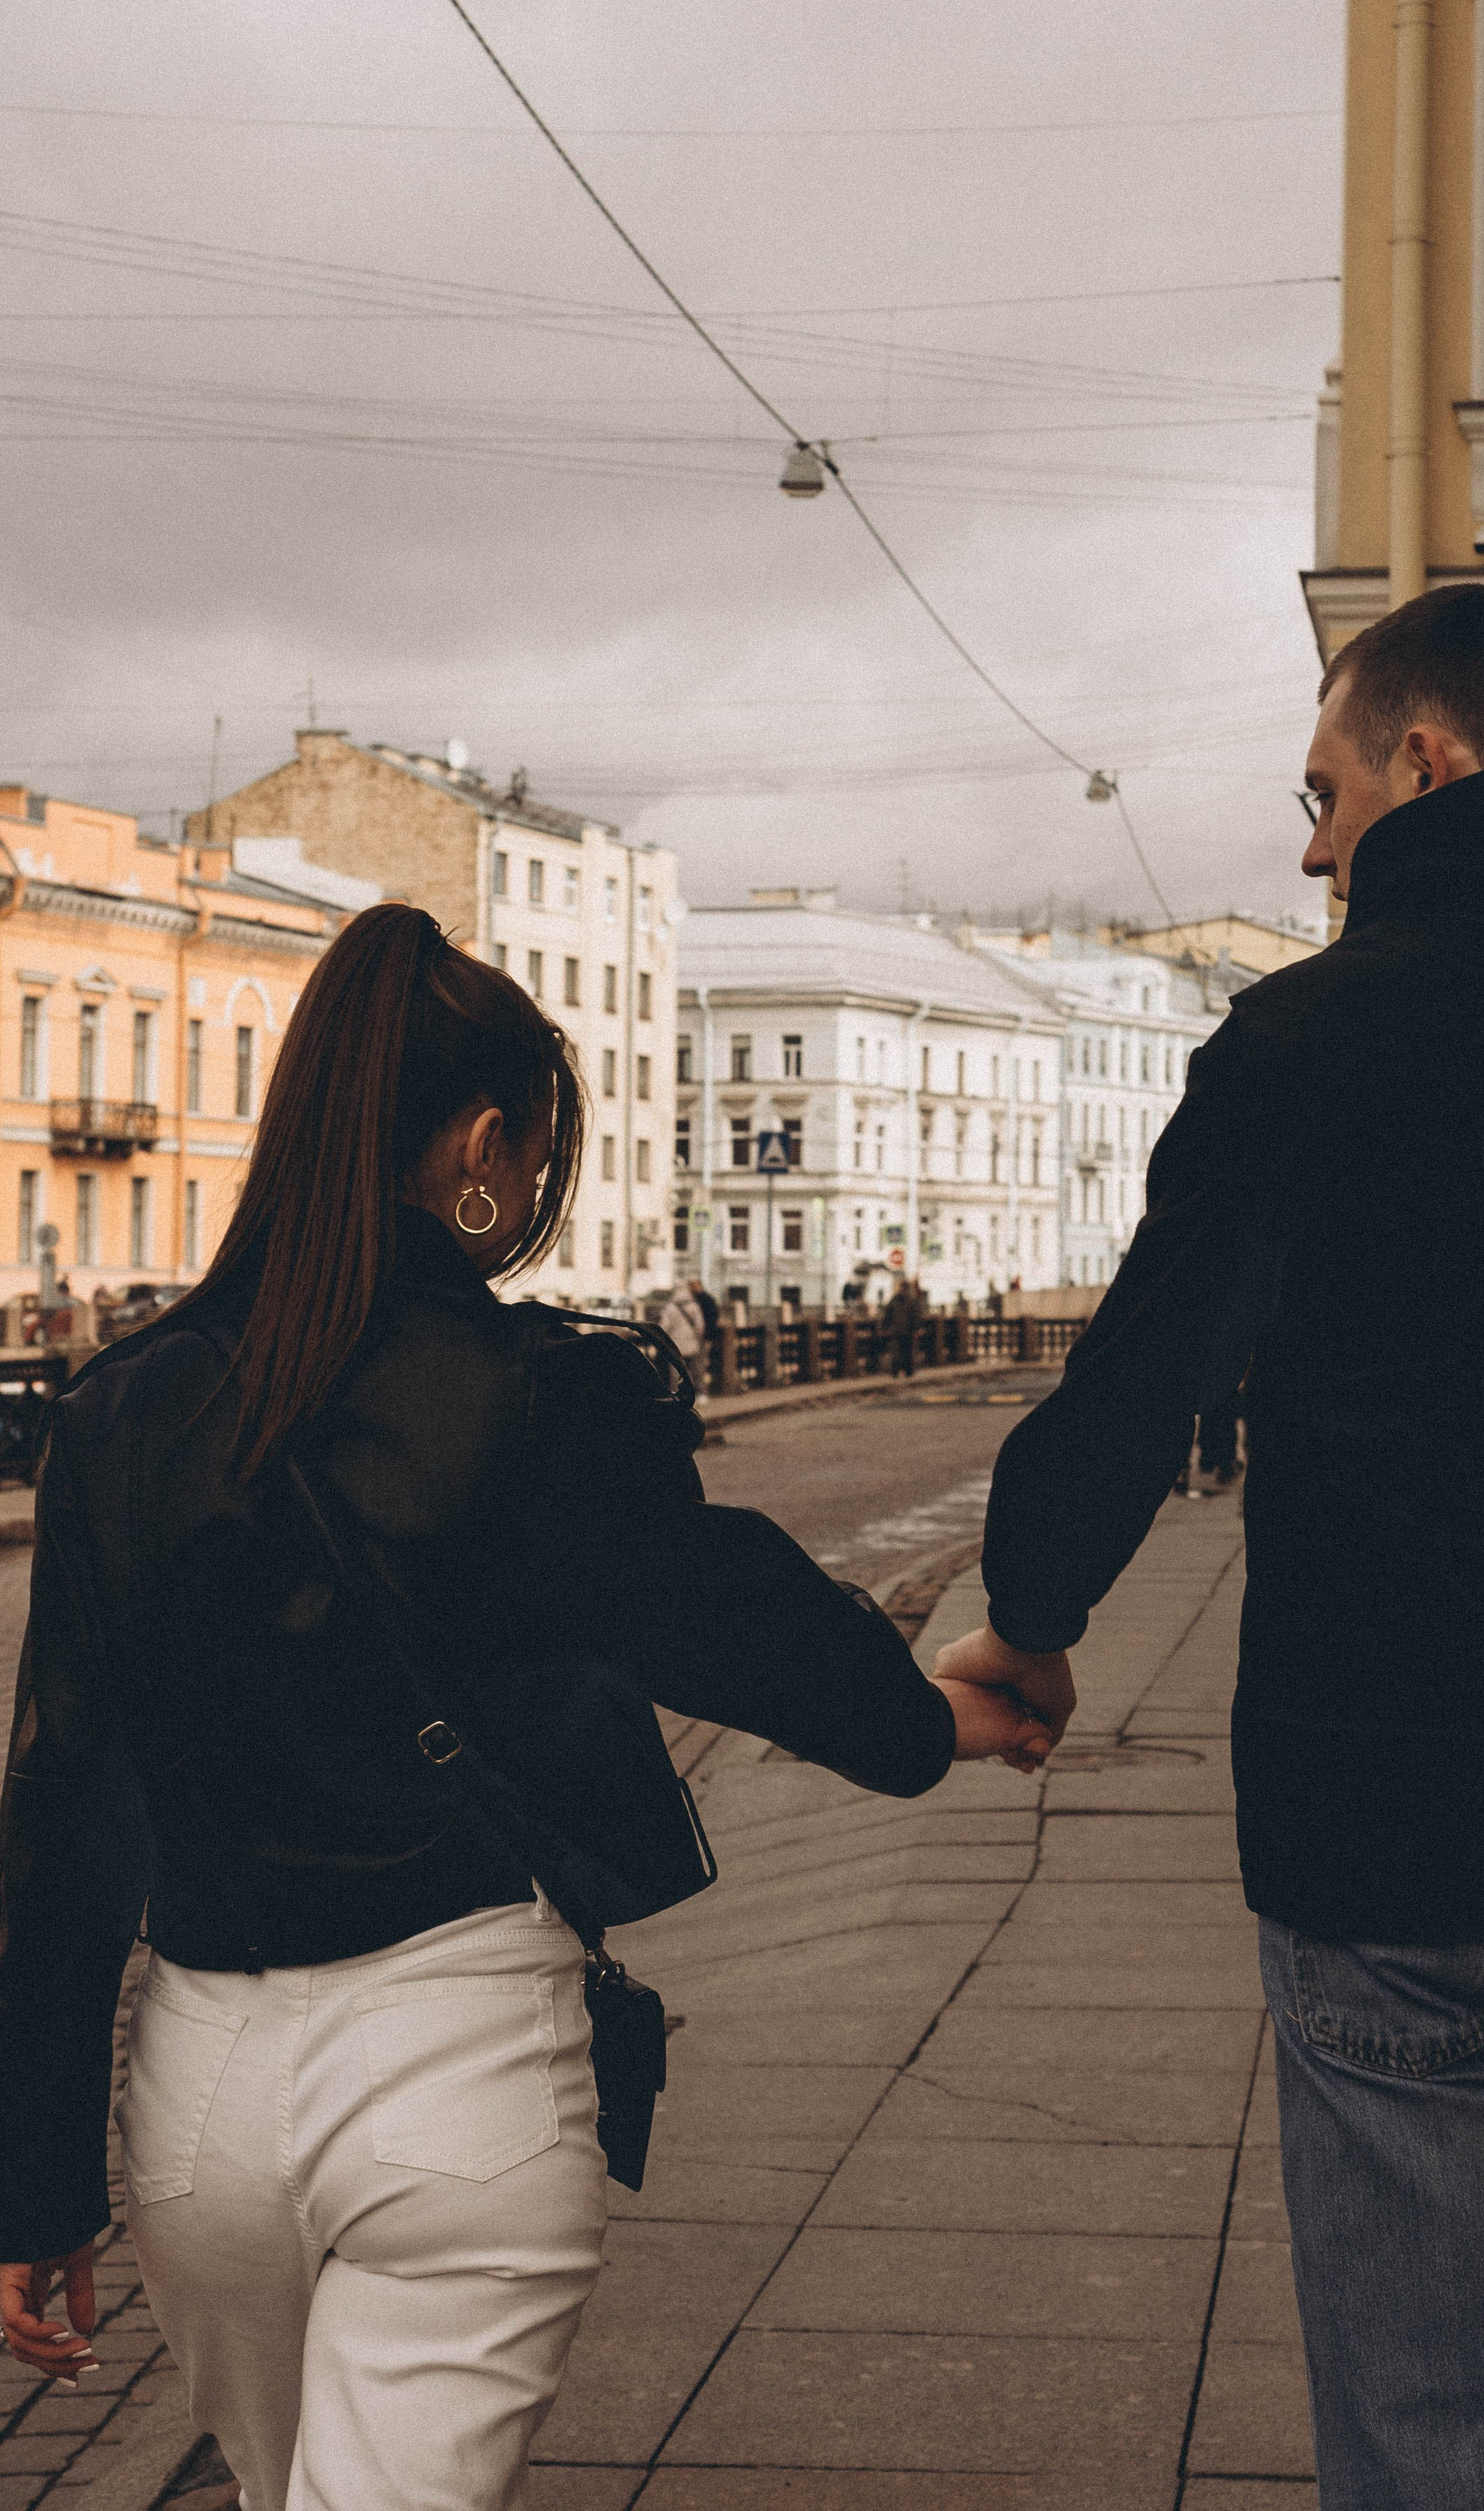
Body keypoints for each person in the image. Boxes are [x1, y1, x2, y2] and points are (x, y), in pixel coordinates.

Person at [939, 583, 1484, 2511]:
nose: (1310, 838)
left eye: (1326, 788)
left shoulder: (1303, 1048)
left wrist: (1027, 1620)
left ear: (1426, 760)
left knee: (1432, 2443)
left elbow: (1138, 1383)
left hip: (1403, 1843)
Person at [0, 905, 1049, 2511]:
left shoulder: (120, 1415)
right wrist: (925, 1721)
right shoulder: (544, 1399)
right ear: (483, 1143)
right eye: (535, 1162)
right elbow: (730, 1612)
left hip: (197, 2101)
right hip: (453, 2068)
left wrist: (35, 2183)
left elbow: (68, 1816)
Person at [655, 1278, 707, 1392]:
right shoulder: (694, 1306)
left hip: (675, 1343)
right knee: (696, 1369)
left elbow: (664, 1327)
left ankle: (676, 1392)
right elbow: (700, 1326)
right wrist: (696, 1338)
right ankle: (699, 1393)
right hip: (692, 1342)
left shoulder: (670, 1308)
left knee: (675, 1371)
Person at [879, 1272, 923, 1377]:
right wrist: (917, 1329)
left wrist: (884, 1327)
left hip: (897, 1330)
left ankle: (896, 1372)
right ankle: (907, 1372)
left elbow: (887, 1315)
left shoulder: (895, 1300)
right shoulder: (911, 1301)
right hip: (907, 1331)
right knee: (906, 1352)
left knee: (897, 1352)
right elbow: (916, 1316)